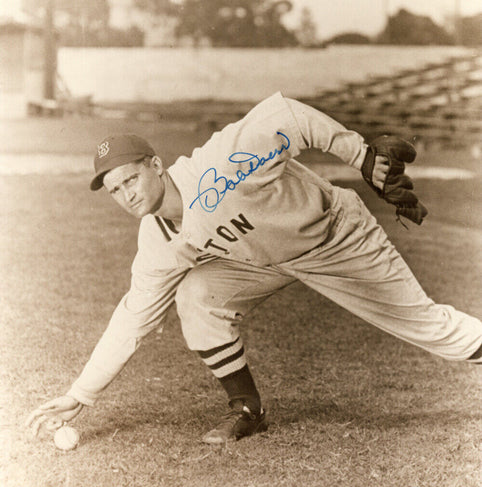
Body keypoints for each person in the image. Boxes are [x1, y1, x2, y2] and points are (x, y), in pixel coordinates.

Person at [26, 92, 482, 445]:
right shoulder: (157, 241)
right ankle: (246, 409)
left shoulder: (219, 165)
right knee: (196, 297)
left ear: (156, 166)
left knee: (429, 327)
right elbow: (132, 320)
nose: (126, 194)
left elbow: (287, 115)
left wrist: (360, 155)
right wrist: (79, 395)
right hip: (262, 261)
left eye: (130, 178)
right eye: (114, 190)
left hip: (336, 236)